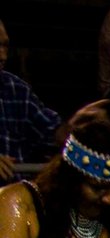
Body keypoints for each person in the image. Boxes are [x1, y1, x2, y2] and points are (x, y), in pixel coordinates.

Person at [0, 19, 66, 177]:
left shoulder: (16, 89)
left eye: (5, 46)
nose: (3, 56)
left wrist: (75, 126)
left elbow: (52, 133)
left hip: (13, 197)